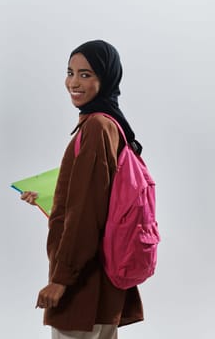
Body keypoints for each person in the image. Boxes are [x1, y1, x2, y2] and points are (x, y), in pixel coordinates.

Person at [21, 40, 144, 339]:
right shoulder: (111, 124)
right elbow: (98, 199)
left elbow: (87, 211)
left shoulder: (96, 128)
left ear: (106, 78)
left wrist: (61, 281)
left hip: (83, 290)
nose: (73, 83)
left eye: (86, 75)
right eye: (70, 72)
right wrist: (52, 200)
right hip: (102, 285)